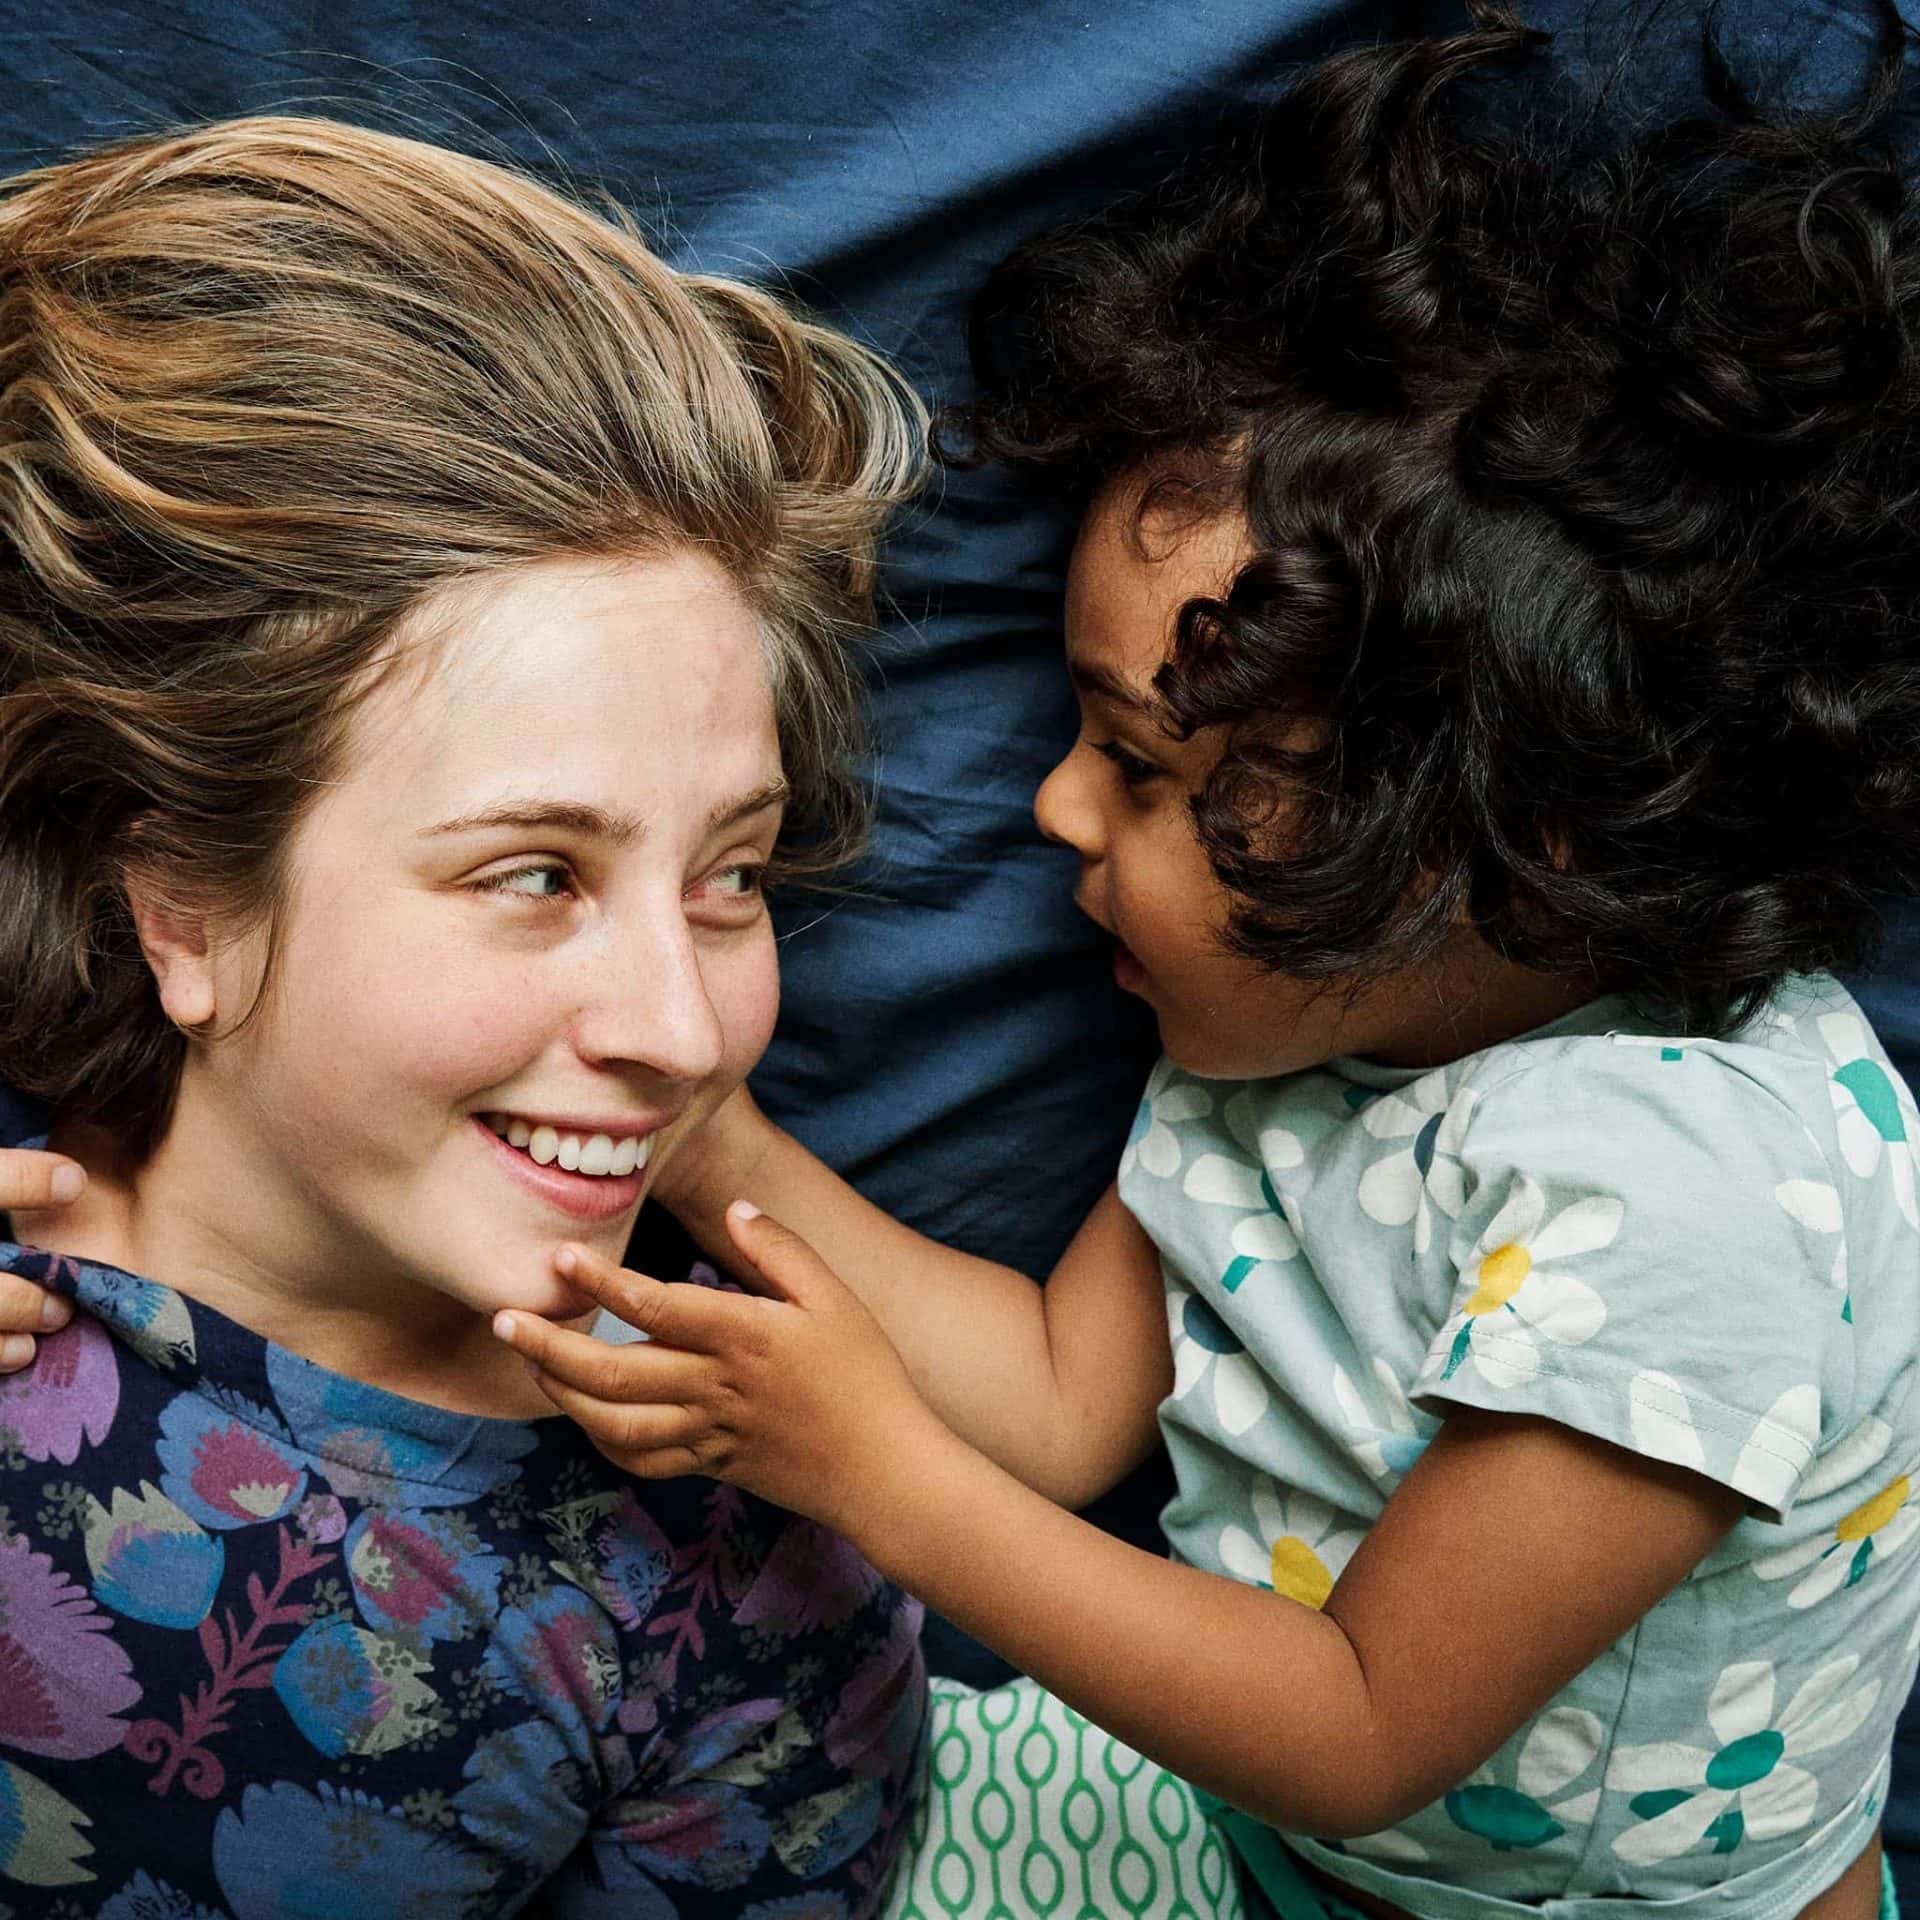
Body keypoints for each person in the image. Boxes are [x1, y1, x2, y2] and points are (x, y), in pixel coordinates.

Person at [473, 8, 1920, 1918]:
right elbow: (1070, 1403)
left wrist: (874, 1474)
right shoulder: (1297, 1042)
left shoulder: (1686, 1193)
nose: (1061, 815)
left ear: (1503, 832)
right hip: (1277, 1846)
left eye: (1147, 771)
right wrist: (710, 1133)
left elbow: (1365, 1724)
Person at [0, 115, 927, 1914]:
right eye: (536, 874)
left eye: (734, 875)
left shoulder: (743, 1564)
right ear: (179, 901)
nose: (681, 1025)